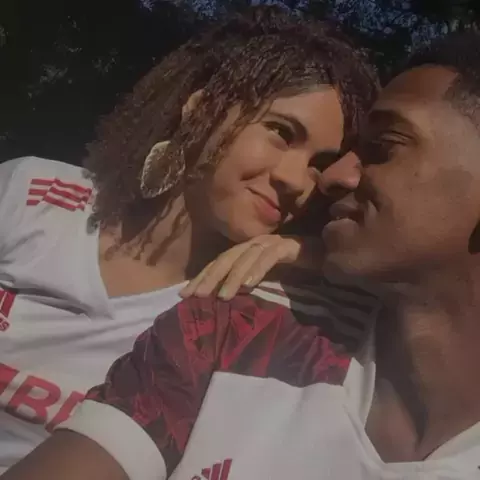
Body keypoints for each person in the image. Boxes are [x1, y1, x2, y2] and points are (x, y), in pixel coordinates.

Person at [4, 30, 480, 480]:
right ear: (200, 111)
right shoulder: (32, 198)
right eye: (280, 132)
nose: (304, 181)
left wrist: (316, 256)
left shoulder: (251, 308)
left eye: (319, 163)